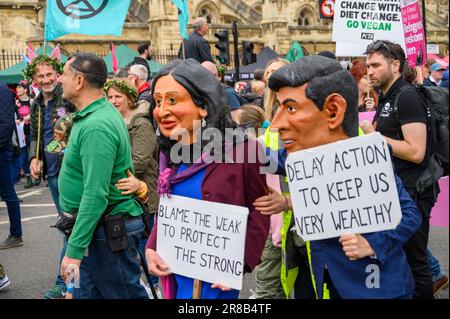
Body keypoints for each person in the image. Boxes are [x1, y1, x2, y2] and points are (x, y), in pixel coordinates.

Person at [255, 55, 422, 298]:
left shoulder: (368, 156)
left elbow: (409, 214)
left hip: (378, 288)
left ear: (333, 110)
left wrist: (372, 245)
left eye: (290, 108)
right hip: (328, 282)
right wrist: (204, 146)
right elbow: (265, 158)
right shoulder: (306, 159)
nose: (278, 123)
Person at [145, 59, 270, 299]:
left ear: (203, 105)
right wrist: (152, 248)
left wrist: (239, 263)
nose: (162, 110)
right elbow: (170, 213)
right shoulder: (170, 153)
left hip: (216, 282)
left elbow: (260, 211)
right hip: (175, 273)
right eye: (158, 101)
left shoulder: (245, 151)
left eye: (172, 100)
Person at [58, 52, 148, 299]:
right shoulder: (93, 115)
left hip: (104, 231)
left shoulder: (96, 125)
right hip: (88, 228)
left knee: (122, 295)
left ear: (79, 81)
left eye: (64, 74)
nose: (59, 79)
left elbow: (95, 195)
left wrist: (74, 251)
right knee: (79, 293)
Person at [361, 40, 437, 299]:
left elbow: (416, 152)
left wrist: (376, 137)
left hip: (414, 192)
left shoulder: (407, 96)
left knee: (416, 264)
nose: (369, 71)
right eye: (367, 66)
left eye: (375, 65)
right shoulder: (387, 97)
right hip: (395, 192)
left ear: (395, 65)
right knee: (399, 261)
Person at [25, 55, 76, 299]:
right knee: (69, 230)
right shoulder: (36, 104)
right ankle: (73, 283)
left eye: (49, 75)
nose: (45, 80)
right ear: (34, 80)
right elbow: (36, 135)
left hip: (70, 172)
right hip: (53, 175)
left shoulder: (66, 99)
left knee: (71, 230)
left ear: (57, 75)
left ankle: (66, 283)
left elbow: (70, 134)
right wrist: (34, 159)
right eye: (40, 76)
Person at [105, 78, 160, 293]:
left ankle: (156, 286)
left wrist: (107, 173)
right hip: (126, 191)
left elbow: (139, 161)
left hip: (145, 192)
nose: (113, 101)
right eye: (109, 97)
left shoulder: (141, 123)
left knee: (146, 243)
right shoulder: (114, 121)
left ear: (130, 98)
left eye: (118, 96)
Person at [0, 80, 23, 250]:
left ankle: (16, 235)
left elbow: (7, 125)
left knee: (8, 192)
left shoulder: (2, 89)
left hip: (2, 150)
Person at [15, 80, 34, 188]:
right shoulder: (15, 103)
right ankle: (28, 178)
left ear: (25, 89)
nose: (17, 89)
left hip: (31, 132)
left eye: (19, 87)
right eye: (17, 87)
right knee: (23, 156)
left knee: (33, 154)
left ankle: (36, 175)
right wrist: (16, 120)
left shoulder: (32, 101)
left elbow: (37, 114)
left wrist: (29, 116)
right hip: (21, 134)